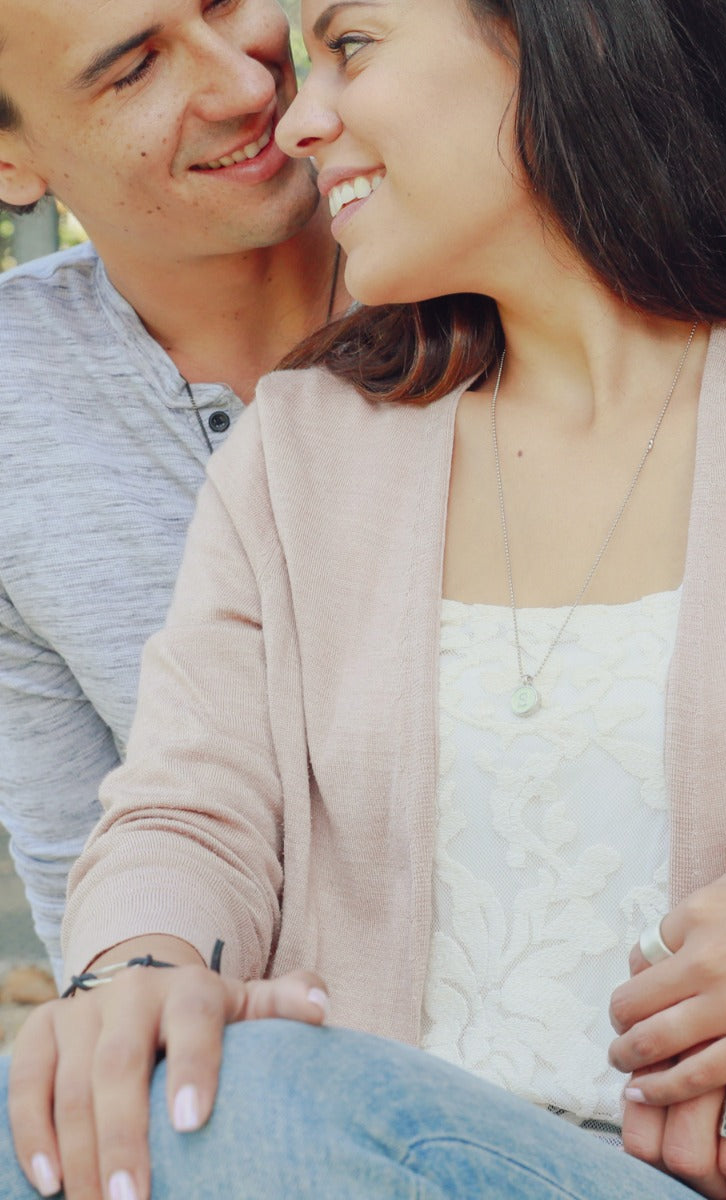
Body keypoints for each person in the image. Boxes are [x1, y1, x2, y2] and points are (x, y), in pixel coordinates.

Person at [1, 3, 726, 1200]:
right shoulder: (299, 453)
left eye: (351, 47)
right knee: (145, 1104)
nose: (299, 119)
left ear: (561, 39)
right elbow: (187, 810)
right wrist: (141, 972)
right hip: (387, 1154)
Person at [0, 0, 354, 980]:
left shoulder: (516, 267)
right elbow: (89, 875)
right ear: (8, 164)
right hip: (279, 1081)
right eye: (132, 70)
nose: (250, 84)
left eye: (223, 4)